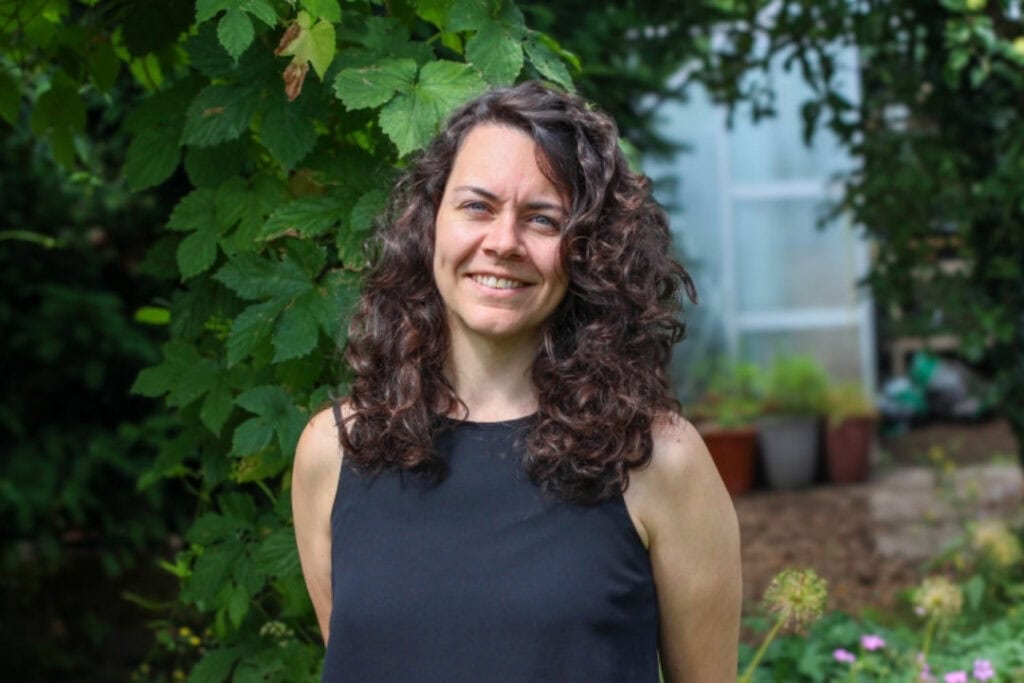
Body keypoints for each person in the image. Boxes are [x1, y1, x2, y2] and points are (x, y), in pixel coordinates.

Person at [292, 80, 741, 682]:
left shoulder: (660, 461)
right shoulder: (335, 449)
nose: (502, 243)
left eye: (542, 219)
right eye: (477, 206)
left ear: (589, 251)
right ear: (430, 225)